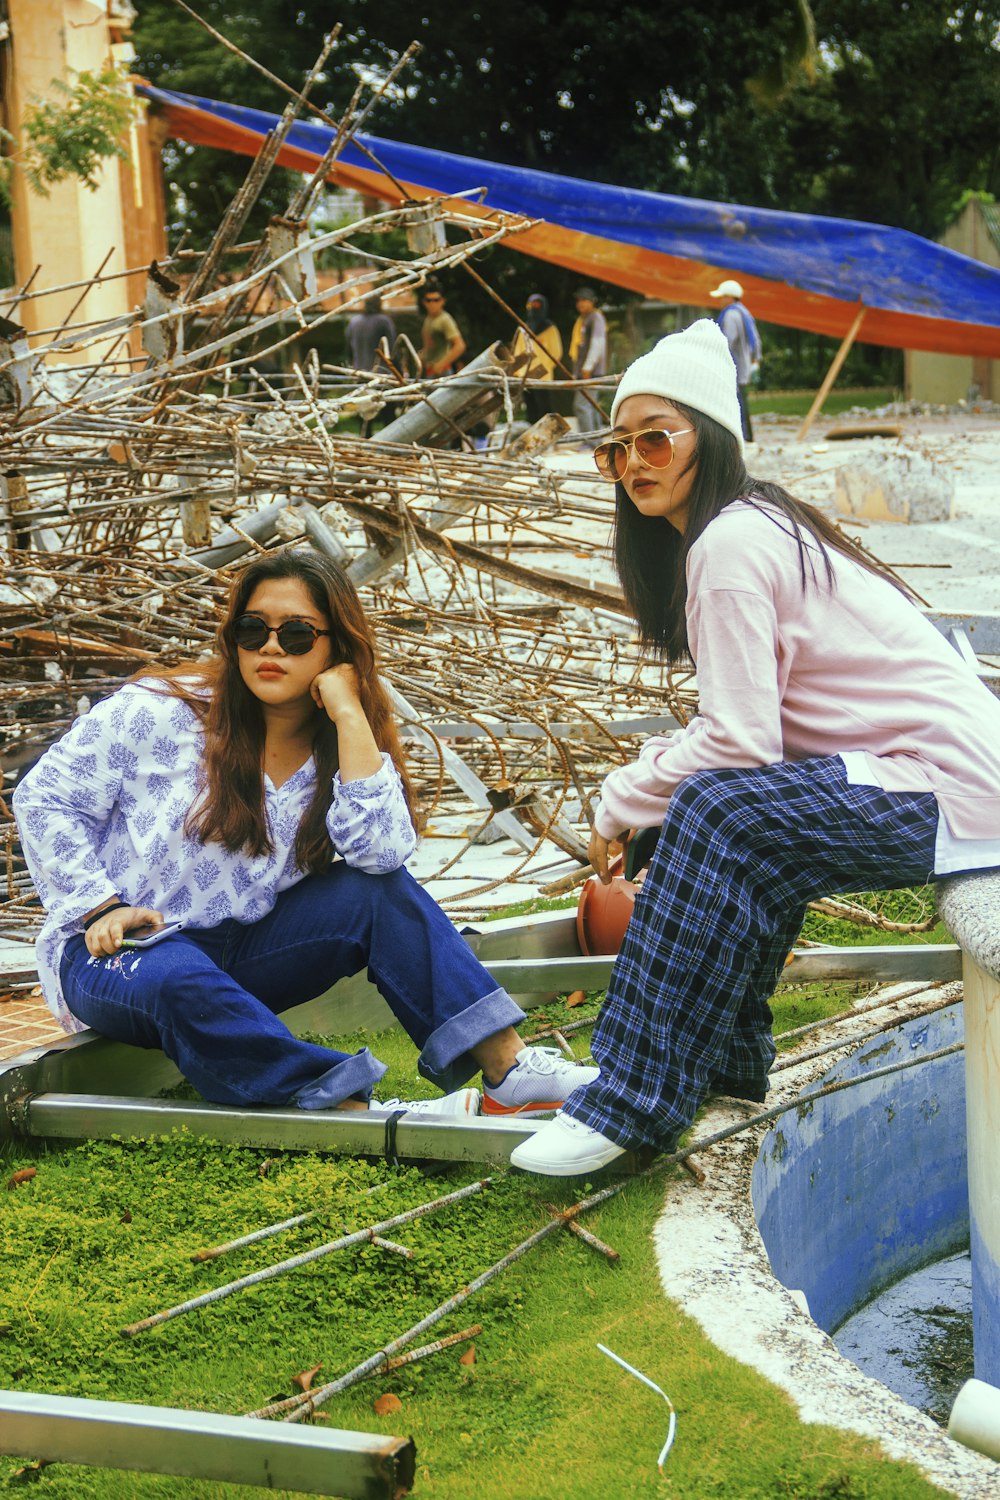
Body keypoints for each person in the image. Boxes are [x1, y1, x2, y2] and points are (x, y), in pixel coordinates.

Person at [511, 319, 1000, 1175]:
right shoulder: (748, 525)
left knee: (717, 809)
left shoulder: (732, 542)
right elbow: (754, 747)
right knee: (731, 828)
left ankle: (628, 1101)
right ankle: (731, 1067)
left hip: (950, 787)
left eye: (656, 437)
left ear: (713, 437)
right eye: (616, 447)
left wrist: (622, 795)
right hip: (933, 776)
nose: (634, 463)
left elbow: (738, 743)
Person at [13, 549, 598, 1121]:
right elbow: (44, 798)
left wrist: (348, 715)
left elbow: (382, 855)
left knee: (376, 895)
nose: (271, 647)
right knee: (179, 976)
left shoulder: (339, 742)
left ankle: (510, 1073)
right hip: (119, 956)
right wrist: (98, 907)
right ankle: (345, 1103)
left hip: (244, 949)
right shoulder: (157, 712)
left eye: (296, 635)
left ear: (336, 649)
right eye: (253, 629)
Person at [709, 278, 760, 443]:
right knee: (742, 402)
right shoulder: (744, 312)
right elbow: (757, 342)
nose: (720, 301)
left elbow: (727, 341)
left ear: (730, 297)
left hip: (735, 367)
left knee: (738, 403)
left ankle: (743, 437)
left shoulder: (731, 314)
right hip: (745, 366)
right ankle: (748, 436)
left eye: (722, 297)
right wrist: (755, 361)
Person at [511, 293, 563, 424]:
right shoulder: (524, 328)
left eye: (537, 305)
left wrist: (541, 369)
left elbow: (556, 352)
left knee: (545, 408)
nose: (534, 308)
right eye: (531, 305)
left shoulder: (550, 328)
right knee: (531, 410)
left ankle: (550, 438)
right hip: (526, 375)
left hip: (543, 375)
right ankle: (534, 440)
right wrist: (518, 372)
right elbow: (518, 352)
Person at [568, 286, 608, 440]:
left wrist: (587, 367)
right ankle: (596, 439)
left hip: (591, 370)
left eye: (584, 300)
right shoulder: (582, 320)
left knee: (582, 405)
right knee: (591, 404)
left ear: (592, 302)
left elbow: (598, 344)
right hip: (583, 370)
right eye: (578, 300)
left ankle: (589, 440)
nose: (580, 304)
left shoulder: (595, 317)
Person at [420, 283, 466, 377]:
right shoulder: (428, 319)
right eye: (428, 300)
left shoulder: (445, 320)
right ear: (424, 302)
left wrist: (441, 364)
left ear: (442, 301)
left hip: (442, 372)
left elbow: (460, 346)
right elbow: (428, 345)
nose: (432, 304)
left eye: (436, 300)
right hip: (429, 370)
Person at [347, 294, 396, 373]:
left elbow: (349, 350)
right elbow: (392, 349)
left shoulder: (354, 322)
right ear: (379, 305)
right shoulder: (383, 321)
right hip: (380, 372)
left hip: (358, 370)